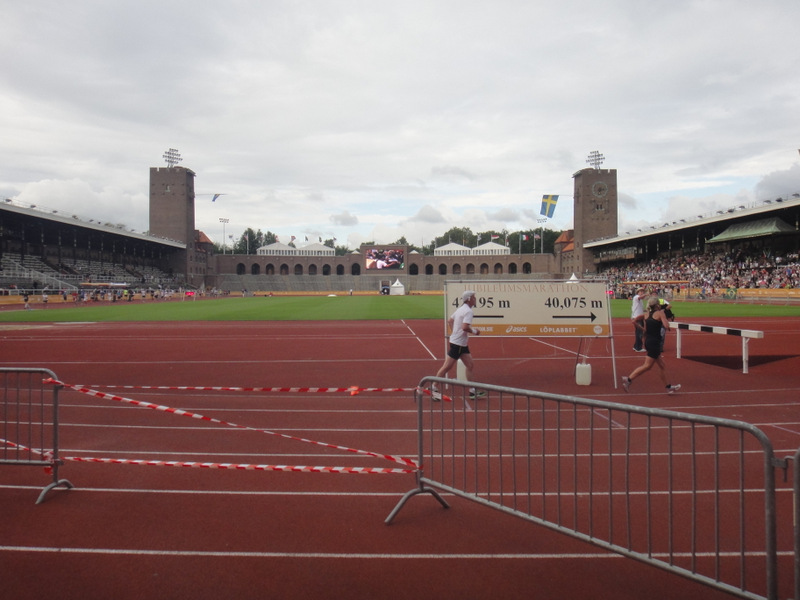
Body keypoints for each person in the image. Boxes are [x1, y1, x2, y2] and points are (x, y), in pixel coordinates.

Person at [622, 297, 681, 394]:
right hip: (654, 342)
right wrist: (664, 317)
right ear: (658, 305)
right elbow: (666, 326)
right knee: (647, 366)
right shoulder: (660, 313)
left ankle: (668, 387)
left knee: (662, 365)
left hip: (649, 340)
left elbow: (634, 321)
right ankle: (628, 380)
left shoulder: (646, 314)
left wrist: (642, 329)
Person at [433, 290, 485, 400]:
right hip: (458, 344)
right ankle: (433, 387)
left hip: (460, 343)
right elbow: (465, 327)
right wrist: (475, 331)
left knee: (470, 365)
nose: (476, 299)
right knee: (447, 366)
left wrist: (454, 333)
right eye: (474, 297)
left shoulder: (460, 309)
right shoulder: (468, 312)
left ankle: (472, 391)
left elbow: (450, 321)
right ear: (469, 299)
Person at [630, 288, 647, 352]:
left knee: (638, 332)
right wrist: (646, 294)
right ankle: (638, 347)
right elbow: (641, 297)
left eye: (643, 291)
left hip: (639, 317)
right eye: (641, 291)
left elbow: (641, 309)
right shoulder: (636, 297)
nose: (642, 292)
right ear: (638, 292)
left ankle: (636, 346)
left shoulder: (640, 300)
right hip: (637, 318)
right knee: (639, 332)